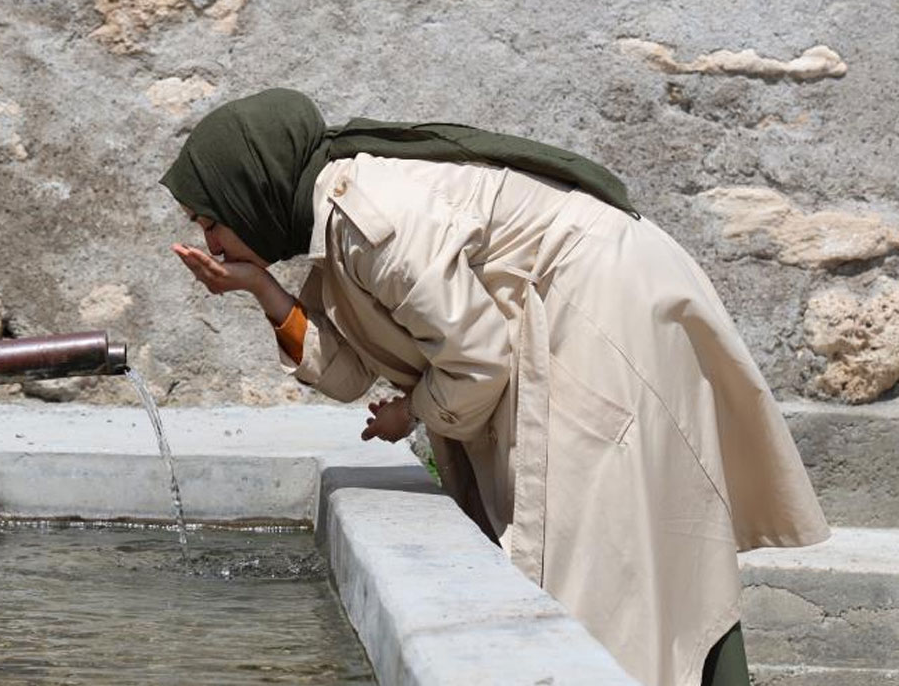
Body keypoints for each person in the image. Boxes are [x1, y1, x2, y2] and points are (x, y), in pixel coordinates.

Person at [163, 88, 829, 686]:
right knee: (644, 557)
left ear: (251, 186)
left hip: (599, 314)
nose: (209, 242)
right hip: (592, 306)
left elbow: (477, 364)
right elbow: (349, 372)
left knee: (601, 573)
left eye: (210, 220)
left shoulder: (368, 223)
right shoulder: (335, 221)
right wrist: (259, 288)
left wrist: (414, 414)